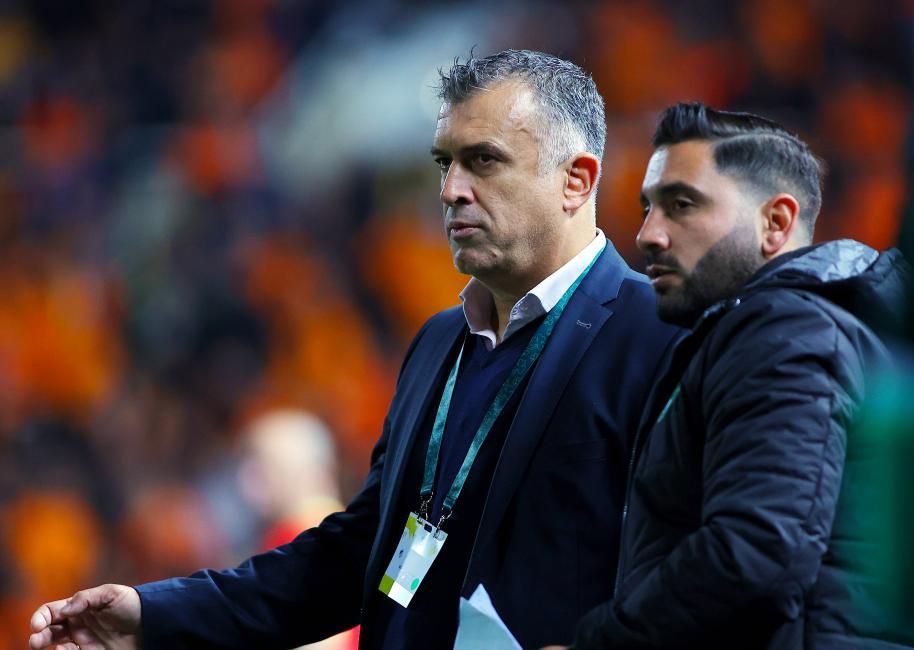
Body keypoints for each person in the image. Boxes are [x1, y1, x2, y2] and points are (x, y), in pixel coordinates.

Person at [29, 50, 681, 650]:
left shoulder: (662, 339)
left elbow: (704, 575)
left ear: (576, 180)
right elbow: (358, 555)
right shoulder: (436, 344)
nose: (451, 189)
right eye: (445, 163)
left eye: (483, 161)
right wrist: (156, 614)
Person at [552, 102, 914, 649]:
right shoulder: (815, 326)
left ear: (776, 223)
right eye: (647, 208)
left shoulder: (783, 328)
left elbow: (757, 552)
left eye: (681, 205)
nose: (648, 234)